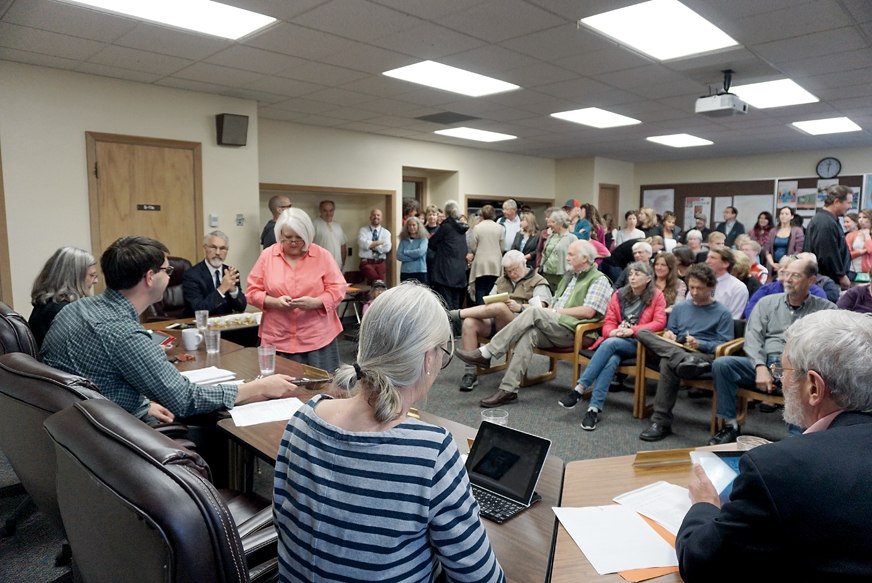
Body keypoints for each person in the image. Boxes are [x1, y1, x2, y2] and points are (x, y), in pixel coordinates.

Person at [273, 283, 505, 583]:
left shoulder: (303, 418)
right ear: (428, 359)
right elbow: (482, 578)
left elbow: (284, 524)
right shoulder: (431, 451)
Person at [677, 310, 872, 582]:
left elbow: (701, 564)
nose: (779, 381)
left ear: (814, 387)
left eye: (783, 370)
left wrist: (704, 505)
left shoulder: (778, 469)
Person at [42, 235, 298, 423]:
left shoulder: (75, 308)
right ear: (150, 277)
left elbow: (96, 379)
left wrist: (141, 404)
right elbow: (186, 400)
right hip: (110, 431)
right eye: (167, 270)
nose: (170, 276)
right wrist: (260, 387)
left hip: (74, 421)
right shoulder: (125, 334)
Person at [456, 240, 611, 408]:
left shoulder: (599, 280)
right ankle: (508, 390)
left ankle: (488, 352)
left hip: (576, 331)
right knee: (528, 334)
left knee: (532, 311)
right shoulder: (569, 277)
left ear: (585, 258)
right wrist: (551, 310)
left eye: (571, 255)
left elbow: (589, 312)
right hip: (558, 327)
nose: (566, 258)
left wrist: (552, 312)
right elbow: (554, 304)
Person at [709, 258, 836, 444]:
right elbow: (752, 337)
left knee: (808, 381)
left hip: (799, 370)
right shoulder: (766, 303)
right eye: (785, 274)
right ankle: (730, 425)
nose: (788, 279)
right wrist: (760, 366)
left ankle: (797, 439)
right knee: (722, 365)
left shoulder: (826, 310)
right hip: (765, 362)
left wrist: (794, 369)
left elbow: (827, 347)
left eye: (796, 275)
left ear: (811, 281)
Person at [558, 262, 666, 431]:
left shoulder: (657, 296)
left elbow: (660, 323)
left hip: (640, 344)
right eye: (631, 274)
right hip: (616, 341)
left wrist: (632, 331)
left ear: (648, 278)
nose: (632, 277)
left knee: (610, 344)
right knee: (611, 359)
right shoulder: (620, 294)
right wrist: (612, 332)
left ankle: (580, 388)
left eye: (638, 274)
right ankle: (593, 410)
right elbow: (608, 321)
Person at [636, 264, 734, 442]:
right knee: (643, 333)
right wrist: (669, 334)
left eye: (700, 288)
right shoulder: (680, 308)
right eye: (692, 287)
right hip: (680, 350)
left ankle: (661, 422)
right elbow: (671, 331)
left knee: (668, 362)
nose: (695, 292)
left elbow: (724, 344)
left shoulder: (722, 313)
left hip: (702, 356)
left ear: (711, 287)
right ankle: (683, 359)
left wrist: (700, 344)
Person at [247, 208, 347, 371]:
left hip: (317, 338)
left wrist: (316, 302)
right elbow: (252, 292)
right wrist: (273, 302)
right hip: (278, 338)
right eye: (288, 238)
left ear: (308, 236)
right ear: (280, 235)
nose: (293, 243)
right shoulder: (267, 256)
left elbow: (338, 288)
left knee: (321, 388)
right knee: (281, 391)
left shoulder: (322, 255)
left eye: (299, 238)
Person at [448, 250, 552, 392]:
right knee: (470, 323)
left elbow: (543, 308)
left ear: (524, 263)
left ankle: (455, 314)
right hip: (498, 322)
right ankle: (470, 372)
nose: (511, 274)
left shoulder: (538, 281)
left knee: (500, 307)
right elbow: (489, 304)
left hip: (522, 326)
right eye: (508, 271)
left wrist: (520, 307)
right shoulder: (502, 280)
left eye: (514, 270)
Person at [29, 247, 99, 348]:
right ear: (74, 277)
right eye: (92, 275)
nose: (95, 281)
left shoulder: (48, 304)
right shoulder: (62, 311)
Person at [182, 230, 247, 317]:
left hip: (226, 326)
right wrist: (222, 288)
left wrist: (233, 290)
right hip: (200, 326)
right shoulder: (191, 275)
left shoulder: (231, 272)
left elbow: (241, 307)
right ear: (204, 249)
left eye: (222, 248)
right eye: (213, 247)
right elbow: (199, 309)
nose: (218, 252)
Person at [743, 254, 829, 319]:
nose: (782, 270)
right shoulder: (767, 289)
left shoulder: (815, 291)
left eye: (786, 268)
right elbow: (751, 310)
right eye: (780, 267)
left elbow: (822, 318)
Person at [804, 184, 853, 290]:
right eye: (848, 203)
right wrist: (841, 275)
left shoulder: (830, 220)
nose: (850, 207)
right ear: (836, 202)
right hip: (826, 282)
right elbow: (827, 253)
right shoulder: (825, 223)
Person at [429, 200, 469, 310]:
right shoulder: (462, 228)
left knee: (446, 305)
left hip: (445, 272)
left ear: (446, 212)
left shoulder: (446, 227)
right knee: (456, 306)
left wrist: (440, 246)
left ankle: (449, 327)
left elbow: (432, 243)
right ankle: (456, 327)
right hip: (460, 272)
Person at [688, 246, 747, 319]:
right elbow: (688, 306)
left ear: (725, 264)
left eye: (713, 258)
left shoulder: (738, 287)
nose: (707, 261)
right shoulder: (698, 282)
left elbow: (734, 317)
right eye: (708, 257)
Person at [468, 205, 505, 305]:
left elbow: (473, 246)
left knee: (480, 289)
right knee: (493, 288)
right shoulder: (500, 228)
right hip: (495, 263)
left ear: (482, 215)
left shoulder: (477, 228)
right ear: (494, 215)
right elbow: (502, 247)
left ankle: (481, 314)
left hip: (481, 263)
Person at [539, 209, 576, 291]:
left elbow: (576, 256)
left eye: (553, 222)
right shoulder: (550, 237)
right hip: (547, 274)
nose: (550, 224)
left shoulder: (571, 238)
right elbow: (544, 254)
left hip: (563, 275)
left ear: (561, 224)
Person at [357, 208, 392, 285]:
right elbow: (363, 244)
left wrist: (372, 245)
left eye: (378, 215)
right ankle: (371, 296)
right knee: (377, 282)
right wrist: (379, 242)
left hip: (380, 263)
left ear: (381, 218)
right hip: (366, 263)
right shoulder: (363, 230)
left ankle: (372, 296)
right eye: (374, 215)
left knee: (379, 286)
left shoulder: (386, 233)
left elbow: (387, 248)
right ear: (370, 218)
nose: (376, 217)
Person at [764, 206, 804, 271]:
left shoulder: (797, 231)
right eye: (782, 214)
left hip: (789, 265)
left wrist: (785, 264)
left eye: (786, 214)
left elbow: (799, 250)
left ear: (792, 216)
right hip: (773, 266)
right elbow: (767, 250)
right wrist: (772, 264)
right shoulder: (773, 231)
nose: (784, 216)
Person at [312, 200, 347, 271]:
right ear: (320, 211)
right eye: (325, 211)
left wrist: (342, 263)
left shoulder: (337, 225)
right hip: (320, 266)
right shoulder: (314, 224)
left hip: (337, 266)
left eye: (331, 210)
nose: (328, 213)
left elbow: (342, 245)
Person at [396, 216, 429, 284]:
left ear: (418, 226)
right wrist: (415, 257)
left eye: (414, 225)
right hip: (405, 272)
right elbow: (399, 255)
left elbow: (420, 252)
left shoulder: (423, 239)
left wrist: (405, 252)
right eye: (409, 225)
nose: (411, 227)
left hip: (419, 271)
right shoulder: (403, 240)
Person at [846, 208, 872, 275]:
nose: (861, 220)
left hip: (868, 272)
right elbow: (847, 254)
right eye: (859, 217)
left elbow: (870, 250)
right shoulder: (851, 235)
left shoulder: (868, 235)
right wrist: (863, 251)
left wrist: (867, 235)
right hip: (852, 271)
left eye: (865, 217)